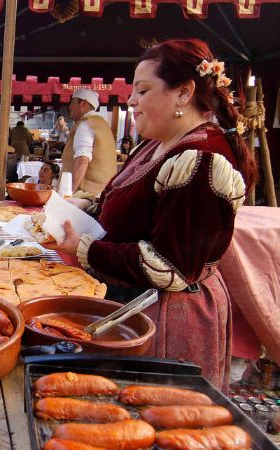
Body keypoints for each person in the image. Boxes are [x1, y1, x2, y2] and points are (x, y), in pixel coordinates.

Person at [48, 39, 256, 389]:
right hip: (136, 307)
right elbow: (131, 208)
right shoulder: (156, 145)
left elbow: (169, 267)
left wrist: (85, 247)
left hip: (168, 318)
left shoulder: (201, 160)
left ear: (183, 94)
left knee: (156, 422)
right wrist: (88, 207)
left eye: (142, 91)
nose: (131, 101)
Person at [62, 89, 118, 209]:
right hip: (101, 193)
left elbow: (82, 159)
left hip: (85, 197)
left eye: (72, 102)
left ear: (83, 103)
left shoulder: (86, 124)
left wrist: (68, 194)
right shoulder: (102, 124)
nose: (69, 107)